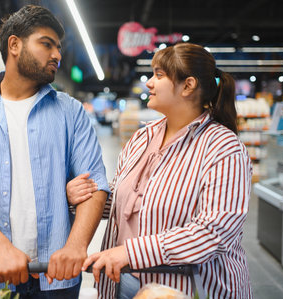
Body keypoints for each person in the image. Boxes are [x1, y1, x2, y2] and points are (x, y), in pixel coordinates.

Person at [0, 5, 108, 298]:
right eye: (46, 44)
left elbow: (95, 186)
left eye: (59, 47)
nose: (57, 55)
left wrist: (75, 247)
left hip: (58, 275)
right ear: (14, 45)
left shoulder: (71, 113)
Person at [67, 43, 252, 298]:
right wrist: (86, 197)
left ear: (188, 85)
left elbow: (214, 232)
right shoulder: (142, 138)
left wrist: (131, 252)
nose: (149, 83)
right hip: (124, 281)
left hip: (186, 287)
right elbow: (124, 202)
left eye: (159, 75)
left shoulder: (223, 148)